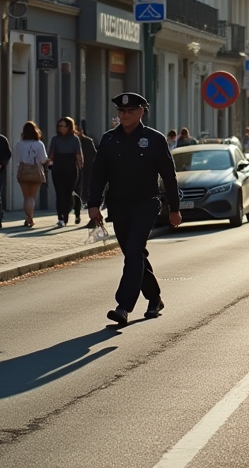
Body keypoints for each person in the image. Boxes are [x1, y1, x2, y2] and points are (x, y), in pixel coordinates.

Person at [86, 92, 180, 325]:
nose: (125, 115)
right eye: (121, 111)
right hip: (118, 206)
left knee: (135, 249)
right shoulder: (109, 140)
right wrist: (93, 204)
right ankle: (155, 298)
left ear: (141, 112)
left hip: (146, 205)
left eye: (130, 111)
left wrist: (174, 209)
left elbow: (169, 175)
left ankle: (123, 306)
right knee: (133, 254)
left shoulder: (154, 139)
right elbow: (98, 174)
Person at [48, 117, 84, 226]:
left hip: (71, 169)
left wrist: (80, 165)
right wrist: (49, 164)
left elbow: (78, 154)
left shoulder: (74, 139)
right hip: (58, 169)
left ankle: (75, 208)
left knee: (68, 193)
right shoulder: (55, 139)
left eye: (62, 126)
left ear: (69, 127)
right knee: (60, 194)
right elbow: (51, 154)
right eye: (59, 126)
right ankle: (61, 218)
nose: (60, 128)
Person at [14, 122, 49, 228]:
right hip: (35, 172)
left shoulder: (19, 144)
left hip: (23, 172)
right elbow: (43, 159)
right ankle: (31, 218)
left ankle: (27, 217)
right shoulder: (39, 144)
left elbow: (16, 158)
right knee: (32, 197)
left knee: (26, 197)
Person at [76, 123, 98, 227]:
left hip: (87, 170)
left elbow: (94, 156)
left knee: (87, 192)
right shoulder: (76, 141)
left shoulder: (87, 141)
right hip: (79, 170)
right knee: (82, 191)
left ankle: (94, 219)